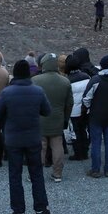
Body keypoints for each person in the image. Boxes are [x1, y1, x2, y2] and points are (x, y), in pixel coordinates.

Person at [0, 60, 52, 214]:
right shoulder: (38, 91)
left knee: (15, 175)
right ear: (29, 73)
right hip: (33, 138)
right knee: (36, 174)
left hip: (13, 139)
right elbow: (47, 111)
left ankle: (19, 212)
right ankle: (41, 211)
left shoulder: (7, 92)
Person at [33, 52, 73, 182]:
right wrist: (66, 119)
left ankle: (36, 173)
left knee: (40, 147)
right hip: (57, 118)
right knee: (57, 146)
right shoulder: (65, 81)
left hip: (40, 119)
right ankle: (57, 173)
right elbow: (69, 103)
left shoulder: (35, 81)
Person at [82, 55, 108, 178]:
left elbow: (86, 99)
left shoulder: (95, 80)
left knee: (96, 143)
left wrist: (89, 108)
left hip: (96, 116)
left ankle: (95, 170)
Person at [65, 56, 91, 161]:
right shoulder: (87, 77)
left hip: (73, 111)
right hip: (85, 109)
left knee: (75, 132)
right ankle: (85, 151)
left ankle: (78, 153)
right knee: (84, 130)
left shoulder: (67, 81)